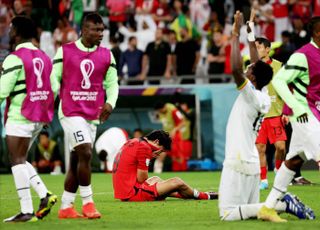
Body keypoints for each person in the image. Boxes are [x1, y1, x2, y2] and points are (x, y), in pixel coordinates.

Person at [218, 11, 314, 221]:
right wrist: (250, 37)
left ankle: (283, 203)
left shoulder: (250, 93)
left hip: (238, 160)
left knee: (227, 214)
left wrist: (235, 34)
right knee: (252, 210)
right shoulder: (260, 93)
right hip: (251, 163)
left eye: (249, 70)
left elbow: (235, 69)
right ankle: (278, 204)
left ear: (252, 77)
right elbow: (256, 65)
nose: (247, 69)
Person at [51, 13, 119, 219]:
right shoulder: (65, 51)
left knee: (76, 159)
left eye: (102, 30)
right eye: (95, 30)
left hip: (93, 114)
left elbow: (113, 83)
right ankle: (88, 203)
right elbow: (53, 78)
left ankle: (66, 207)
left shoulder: (107, 55)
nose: (100, 34)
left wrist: (110, 102)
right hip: (70, 111)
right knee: (86, 152)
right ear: (83, 30)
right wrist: (48, 106)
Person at [258, 16, 320, 223]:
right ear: (317, 32)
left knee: (293, 160)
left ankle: (268, 207)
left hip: (315, 112)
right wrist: (294, 107)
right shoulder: (302, 55)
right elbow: (280, 80)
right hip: (304, 114)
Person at [0, 16, 57, 222]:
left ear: (18, 32)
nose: (9, 31)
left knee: (15, 160)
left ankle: (26, 211)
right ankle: (44, 195)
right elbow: (53, 88)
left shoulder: (14, 58)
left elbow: (2, 90)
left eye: (12, 28)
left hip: (20, 114)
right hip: (38, 116)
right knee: (21, 159)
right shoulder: (44, 56)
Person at [112, 130, 218, 202]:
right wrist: (148, 157)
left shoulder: (134, 141)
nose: (159, 153)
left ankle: (186, 194)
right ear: (156, 141)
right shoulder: (144, 148)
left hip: (124, 190)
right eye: (161, 150)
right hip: (132, 194)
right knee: (177, 181)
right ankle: (205, 196)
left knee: (156, 179)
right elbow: (142, 179)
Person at [247, 16, 287, 190]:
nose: (257, 50)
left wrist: (287, 110)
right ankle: (263, 179)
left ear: (268, 49)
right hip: (259, 116)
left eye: (259, 47)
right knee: (260, 148)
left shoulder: (279, 66)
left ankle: (278, 167)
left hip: (276, 113)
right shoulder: (253, 67)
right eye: (255, 47)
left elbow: (288, 89)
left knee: (281, 147)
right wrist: (250, 30)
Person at [154, 101, 187, 172]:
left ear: (164, 107)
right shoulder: (159, 112)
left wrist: (175, 129)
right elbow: (158, 119)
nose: (160, 112)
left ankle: (182, 171)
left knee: (177, 154)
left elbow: (183, 123)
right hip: (166, 135)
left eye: (160, 110)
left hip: (176, 135)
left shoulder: (173, 110)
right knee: (161, 151)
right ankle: (157, 170)